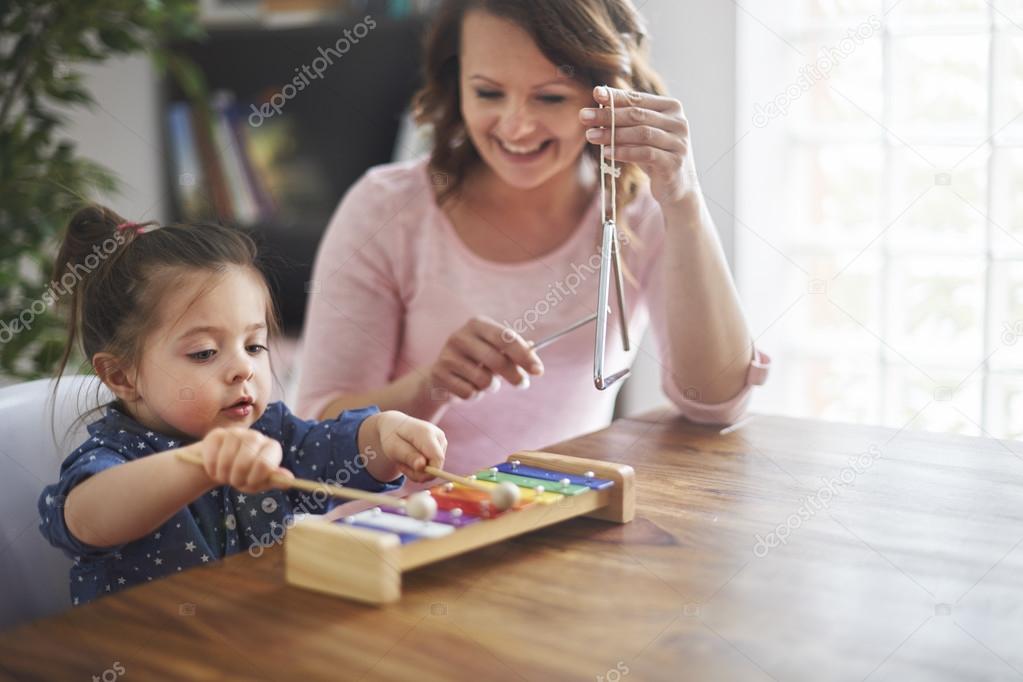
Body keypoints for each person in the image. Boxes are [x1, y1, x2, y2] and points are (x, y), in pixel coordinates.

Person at [296, 0, 769, 474]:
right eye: (488, 93)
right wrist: (431, 385)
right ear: (455, 82)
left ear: (605, 95)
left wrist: (684, 200)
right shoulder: (385, 209)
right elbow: (317, 434)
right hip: (393, 532)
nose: (516, 126)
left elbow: (715, 403)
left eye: (550, 97)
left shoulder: (639, 213)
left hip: (552, 525)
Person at [37, 206, 446, 605]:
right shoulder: (114, 457)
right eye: (204, 353)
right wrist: (200, 464)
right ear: (122, 376)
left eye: (254, 345)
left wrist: (386, 435)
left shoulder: (271, 433)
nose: (243, 369)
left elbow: (343, 453)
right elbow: (85, 517)